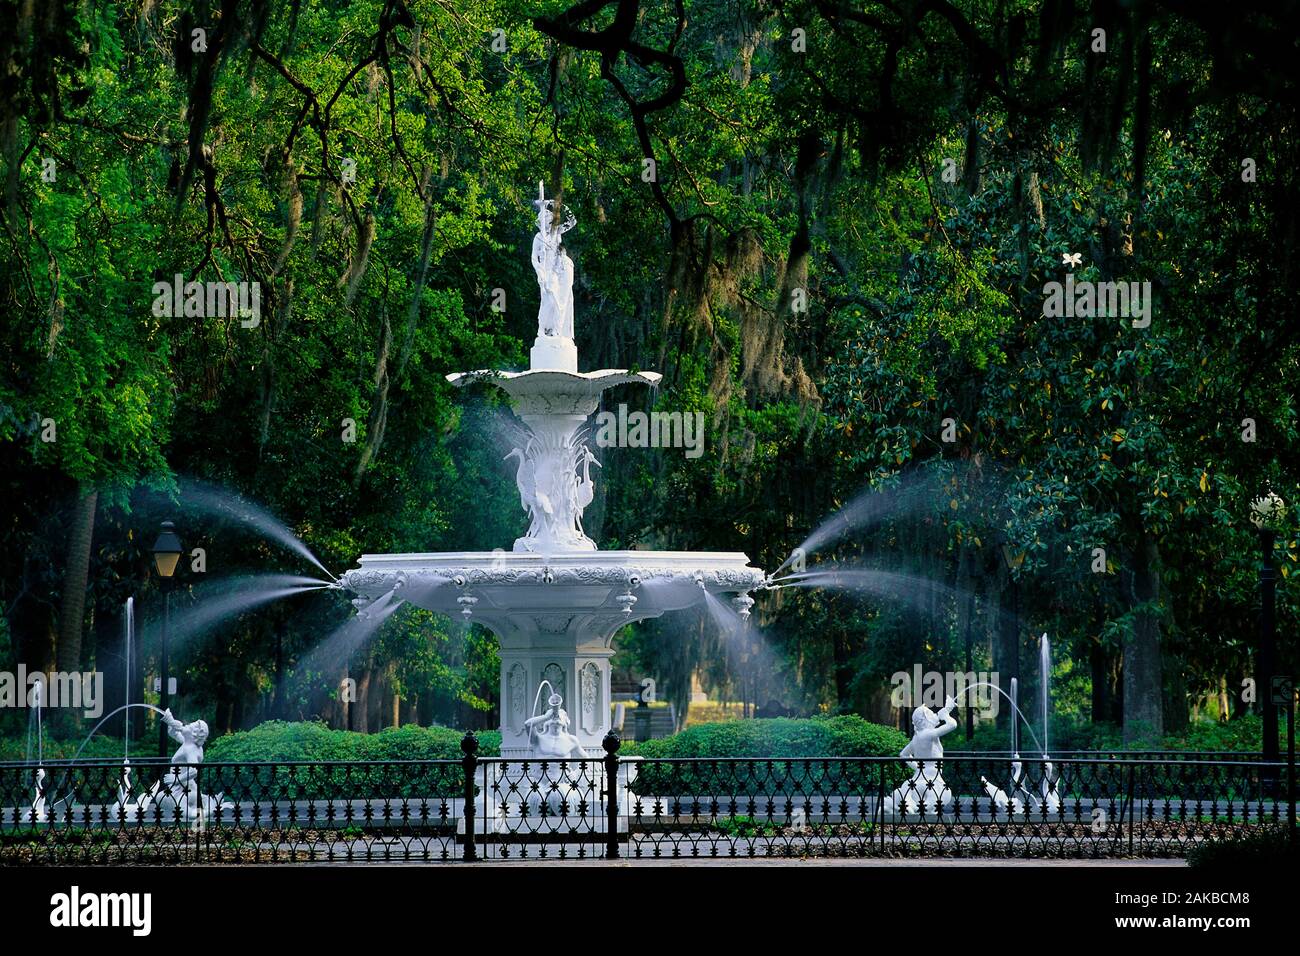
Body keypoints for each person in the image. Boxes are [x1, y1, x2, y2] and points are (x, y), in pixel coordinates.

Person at [883, 695, 959, 814]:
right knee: (941, 797)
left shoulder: (917, 738)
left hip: (917, 778)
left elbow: (903, 755)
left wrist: (918, 767)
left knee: (907, 794)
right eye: (930, 713)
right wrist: (946, 715)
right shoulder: (929, 734)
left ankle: (907, 806)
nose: (934, 714)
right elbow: (952, 725)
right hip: (933, 780)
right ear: (925, 720)